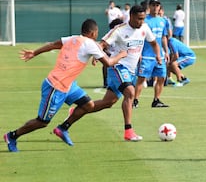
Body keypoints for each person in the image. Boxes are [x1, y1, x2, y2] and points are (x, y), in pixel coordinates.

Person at [3, 19, 127, 152]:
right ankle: (12, 136)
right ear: (93, 32)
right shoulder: (90, 44)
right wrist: (121, 54)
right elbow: (108, 62)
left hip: (69, 85)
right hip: (55, 86)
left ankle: (63, 128)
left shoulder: (73, 39)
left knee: (88, 105)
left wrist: (34, 53)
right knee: (42, 122)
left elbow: (52, 44)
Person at [53, 5, 161, 144]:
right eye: (139, 19)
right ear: (132, 16)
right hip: (118, 67)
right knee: (130, 92)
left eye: (143, 19)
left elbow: (153, 43)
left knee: (107, 103)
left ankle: (68, 121)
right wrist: (96, 56)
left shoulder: (144, 28)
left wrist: (158, 55)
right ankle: (128, 131)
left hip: (130, 71)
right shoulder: (119, 30)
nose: (141, 22)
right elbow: (102, 44)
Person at [133, 0, 169, 108]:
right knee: (142, 78)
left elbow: (163, 37)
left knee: (161, 77)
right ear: (150, 6)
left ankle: (156, 100)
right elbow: (140, 37)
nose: (155, 7)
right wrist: (138, 52)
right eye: (153, 5)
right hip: (147, 55)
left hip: (159, 55)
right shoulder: (145, 21)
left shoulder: (163, 21)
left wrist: (166, 51)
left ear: (160, 7)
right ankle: (135, 100)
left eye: (157, 5)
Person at [102, 18, 124, 88]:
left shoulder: (124, 35)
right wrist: (109, 54)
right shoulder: (110, 36)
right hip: (111, 57)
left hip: (121, 58)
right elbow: (103, 47)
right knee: (105, 64)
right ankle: (106, 82)